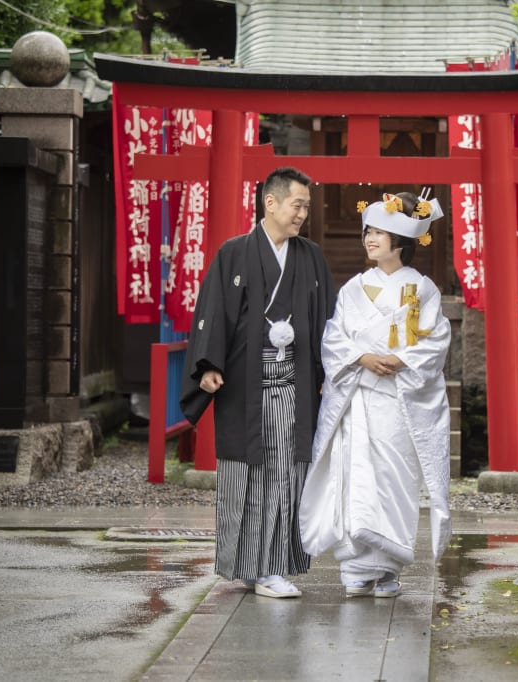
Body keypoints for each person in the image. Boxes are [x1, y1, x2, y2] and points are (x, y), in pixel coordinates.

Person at [180, 166, 336, 599]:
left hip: (294, 385)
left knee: (286, 473)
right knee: (250, 473)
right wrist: (208, 365)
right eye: (297, 204)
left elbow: (329, 322)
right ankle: (254, 567)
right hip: (247, 387)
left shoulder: (311, 257)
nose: (303, 213)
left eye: (307, 206)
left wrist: (330, 373)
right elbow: (211, 312)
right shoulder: (234, 253)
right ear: (271, 202)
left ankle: (272, 566)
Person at [298, 189, 452, 598]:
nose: (370, 239)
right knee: (355, 478)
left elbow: (436, 341)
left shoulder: (422, 289)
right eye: (368, 231)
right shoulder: (352, 289)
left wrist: (404, 361)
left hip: (397, 402)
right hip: (359, 399)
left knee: (394, 478)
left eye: (380, 233)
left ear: (400, 241)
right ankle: (356, 567)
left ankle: (387, 568)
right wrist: (362, 356)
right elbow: (333, 339)